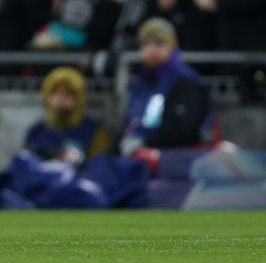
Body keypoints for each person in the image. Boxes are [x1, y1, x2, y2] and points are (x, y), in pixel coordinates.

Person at [119, 18, 214, 157]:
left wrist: (144, 145)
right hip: (138, 154)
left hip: (174, 160)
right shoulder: (142, 82)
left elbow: (182, 131)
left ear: (172, 47)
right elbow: (130, 122)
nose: (152, 50)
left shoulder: (184, 81)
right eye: (146, 44)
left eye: (159, 43)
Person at [25, 67, 112, 167]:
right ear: (46, 97)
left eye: (68, 93)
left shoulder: (96, 131)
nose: (61, 98)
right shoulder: (36, 133)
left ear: (79, 98)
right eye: (55, 92)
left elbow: (99, 169)